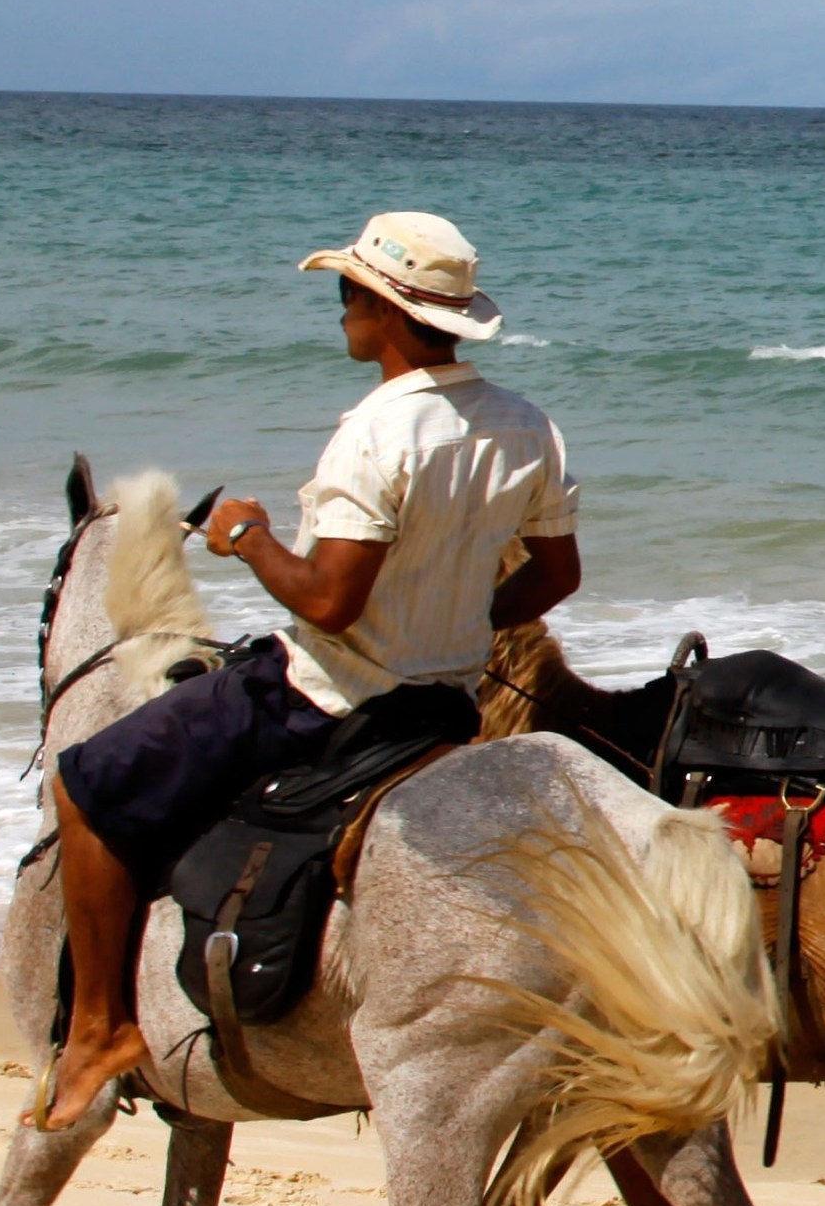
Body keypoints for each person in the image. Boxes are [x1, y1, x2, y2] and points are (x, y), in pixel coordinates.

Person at [32, 212, 582, 1128]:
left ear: (386, 313)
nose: (339, 315)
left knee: (87, 784)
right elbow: (556, 575)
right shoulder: (526, 425)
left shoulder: (375, 433)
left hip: (322, 697)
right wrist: (444, 623)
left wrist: (245, 537)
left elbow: (327, 602)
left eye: (347, 297)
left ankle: (98, 1029)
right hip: (444, 703)